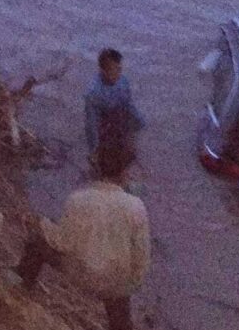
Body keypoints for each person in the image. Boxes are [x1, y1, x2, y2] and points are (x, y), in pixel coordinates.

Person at [14, 141, 151, 330]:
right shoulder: (136, 207)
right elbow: (141, 260)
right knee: (120, 308)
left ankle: (19, 286)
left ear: (96, 168)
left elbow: (62, 243)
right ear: (124, 173)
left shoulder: (78, 200)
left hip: (80, 274)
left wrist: (42, 224)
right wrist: (130, 285)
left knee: (36, 243)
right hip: (114, 285)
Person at [85, 48, 145, 171]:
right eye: (114, 70)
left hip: (119, 119)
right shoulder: (93, 93)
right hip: (104, 123)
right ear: (103, 71)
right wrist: (94, 150)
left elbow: (129, 105)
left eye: (119, 69)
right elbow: (91, 124)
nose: (118, 73)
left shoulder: (123, 81)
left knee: (128, 157)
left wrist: (139, 123)